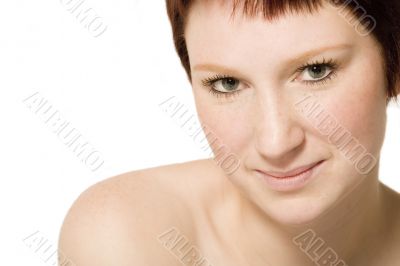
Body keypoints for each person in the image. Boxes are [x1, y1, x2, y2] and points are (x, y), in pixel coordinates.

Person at [58, 0, 400, 265]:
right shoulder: (127, 236)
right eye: (228, 84)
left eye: (315, 71)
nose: (275, 143)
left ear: (393, 67)